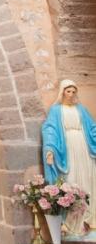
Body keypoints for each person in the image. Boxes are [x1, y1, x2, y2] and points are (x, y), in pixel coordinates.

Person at [42, 79, 96, 234]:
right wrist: (50, 150)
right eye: (68, 91)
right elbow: (50, 130)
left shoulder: (81, 109)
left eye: (74, 92)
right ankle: (71, 223)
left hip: (84, 147)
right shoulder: (56, 110)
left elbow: (92, 128)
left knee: (87, 179)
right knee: (71, 180)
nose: (71, 94)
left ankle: (88, 219)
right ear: (62, 92)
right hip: (67, 148)